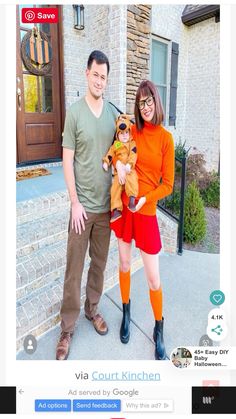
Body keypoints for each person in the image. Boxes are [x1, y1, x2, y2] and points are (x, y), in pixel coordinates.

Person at [56, 50, 118, 360]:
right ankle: (67, 327)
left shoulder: (112, 116)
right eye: (95, 74)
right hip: (82, 209)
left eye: (104, 77)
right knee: (74, 269)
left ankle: (93, 308)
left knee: (99, 265)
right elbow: (67, 160)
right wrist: (74, 203)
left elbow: (118, 155)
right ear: (86, 74)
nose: (99, 81)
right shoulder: (75, 112)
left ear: (107, 81)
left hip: (106, 209)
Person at [111, 80, 175, 360]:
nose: (145, 107)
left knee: (153, 278)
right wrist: (116, 166)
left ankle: (158, 328)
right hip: (125, 207)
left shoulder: (165, 138)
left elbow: (169, 184)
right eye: (140, 103)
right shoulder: (132, 130)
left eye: (149, 101)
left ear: (156, 102)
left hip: (146, 211)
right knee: (124, 263)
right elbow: (117, 150)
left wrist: (147, 199)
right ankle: (126, 312)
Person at [102, 114, 139, 222]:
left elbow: (133, 155)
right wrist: (106, 162)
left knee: (132, 180)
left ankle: (132, 199)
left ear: (130, 132)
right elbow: (111, 153)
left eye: (126, 132)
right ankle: (116, 209)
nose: (124, 136)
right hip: (118, 173)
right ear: (117, 135)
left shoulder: (131, 144)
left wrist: (129, 164)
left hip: (129, 169)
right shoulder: (117, 144)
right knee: (115, 188)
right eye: (121, 133)